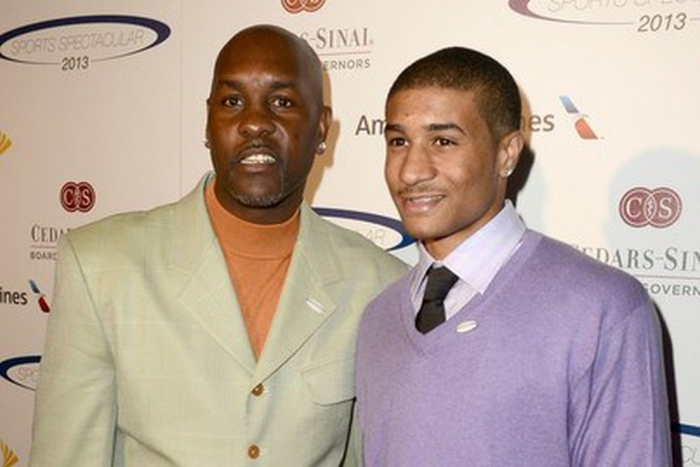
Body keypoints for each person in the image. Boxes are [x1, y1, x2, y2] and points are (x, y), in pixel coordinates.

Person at [30, 24, 407, 466]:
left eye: (282, 102)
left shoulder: (378, 285)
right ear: (208, 122)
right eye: (232, 102)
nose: (255, 123)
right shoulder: (100, 266)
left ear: (321, 128)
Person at [355, 46, 672, 466]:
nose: (411, 171)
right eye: (399, 141)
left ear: (506, 153)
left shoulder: (601, 309)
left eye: (443, 141)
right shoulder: (377, 317)